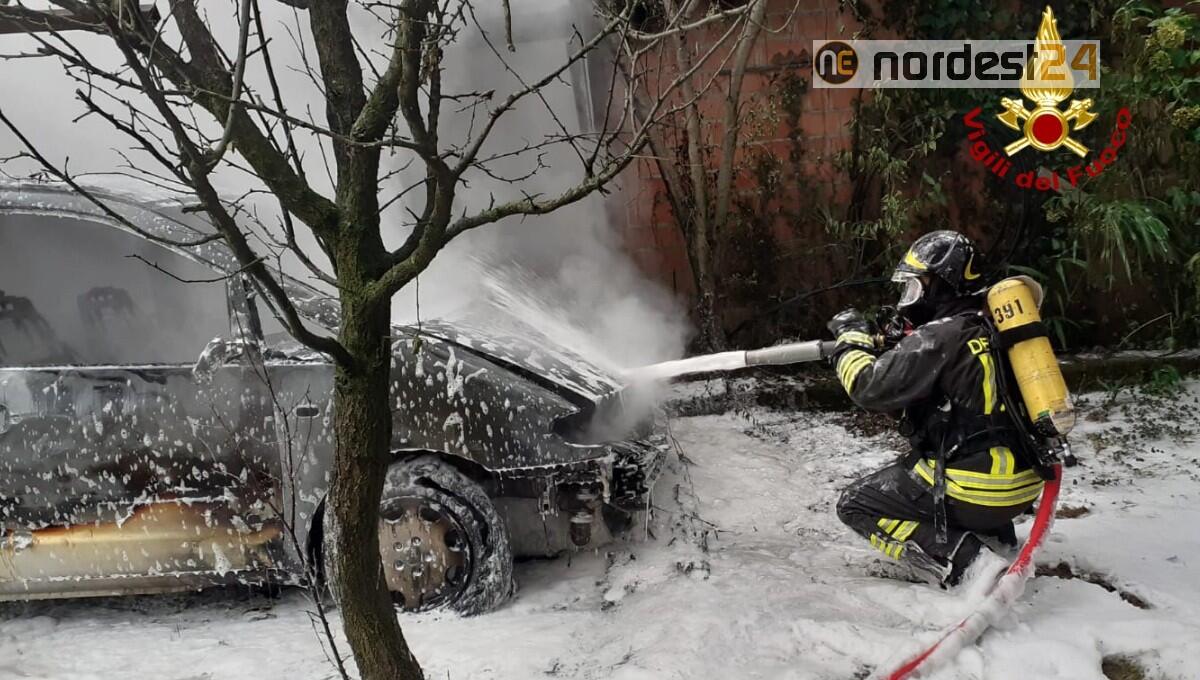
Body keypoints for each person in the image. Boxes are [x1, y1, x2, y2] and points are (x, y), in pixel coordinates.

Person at [828, 230, 1044, 586]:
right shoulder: (995, 324)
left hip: (980, 490)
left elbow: (867, 387)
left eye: (914, 288)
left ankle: (970, 564)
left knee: (855, 503)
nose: (907, 300)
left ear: (941, 286)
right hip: (1023, 487)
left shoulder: (941, 337)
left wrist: (849, 340)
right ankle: (996, 540)